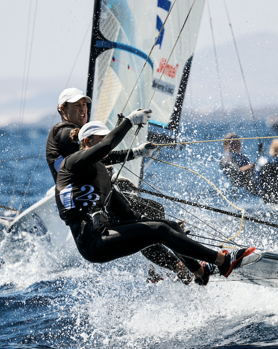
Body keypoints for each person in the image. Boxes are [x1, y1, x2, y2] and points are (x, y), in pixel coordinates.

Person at [55, 109, 256, 282]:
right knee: (159, 230)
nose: (107, 147)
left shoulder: (103, 178)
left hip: (106, 232)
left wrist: (146, 222)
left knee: (169, 226)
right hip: (92, 242)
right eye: (99, 140)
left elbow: (126, 214)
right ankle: (223, 262)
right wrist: (129, 121)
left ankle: (199, 272)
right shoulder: (71, 163)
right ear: (88, 142)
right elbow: (107, 146)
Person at [46, 88, 197, 284]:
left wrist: (135, 152)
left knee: (152, 212)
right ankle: (176, 266)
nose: (83, 109)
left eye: (84, 105)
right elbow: (101, 151)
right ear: (62, 108)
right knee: (149, 217)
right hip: (89, 208)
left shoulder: (76, 135)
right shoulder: (65, 133)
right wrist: (131, 136)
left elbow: (98, 158)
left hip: (97, 196)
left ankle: (168, 264)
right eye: (77, 106)